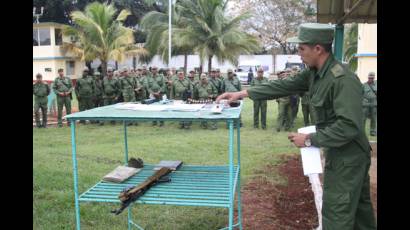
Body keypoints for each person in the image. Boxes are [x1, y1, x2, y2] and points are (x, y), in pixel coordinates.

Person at [216, 23, 376, 230]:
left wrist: (309, 140)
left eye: (301, 49)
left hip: (349, 157)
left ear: (318, 49)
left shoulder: (342, 79)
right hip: (343, 152)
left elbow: (349, 126)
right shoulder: (314, 73)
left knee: (337, 214)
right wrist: (241, 94)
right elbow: (282, 85)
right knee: (360, 212)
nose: (298, 54)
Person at [362, 72, 377, 136]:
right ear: (368, 77)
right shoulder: (364, 85)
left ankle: (372, 131)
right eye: (370, 77)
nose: (371, 79)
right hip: (365, 104)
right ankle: (361, 131)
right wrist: (363, 100)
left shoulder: (376, 85)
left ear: (374, 78)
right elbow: (360, 94)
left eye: (372, 77)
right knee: (363, 118)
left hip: (374, 104)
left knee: (373, 118)